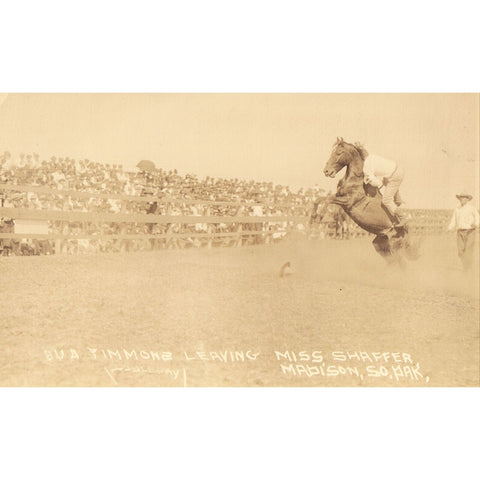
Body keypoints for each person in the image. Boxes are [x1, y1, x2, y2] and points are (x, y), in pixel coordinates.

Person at [361, 147, 406, 226]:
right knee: (387, 182)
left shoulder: (367, 165)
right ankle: (398, 201)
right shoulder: (372, 156)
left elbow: (372, 180)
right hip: (397, 170)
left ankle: (402, 217)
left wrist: (379, 185)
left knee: (386, 200)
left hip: (394, 176)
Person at [447, 192, 479, 271]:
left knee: (468, 249)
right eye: (461, 198)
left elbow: (478, 218)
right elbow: (453, 220)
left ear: (467, 199)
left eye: (464, 198)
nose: (462, 199)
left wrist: (475, 224)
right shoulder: (457, 209)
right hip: (460, 232)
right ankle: (466, 265)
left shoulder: (472, 208)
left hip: (470, 231)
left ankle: (467, 267)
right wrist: (449, 228)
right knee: (460, 251)